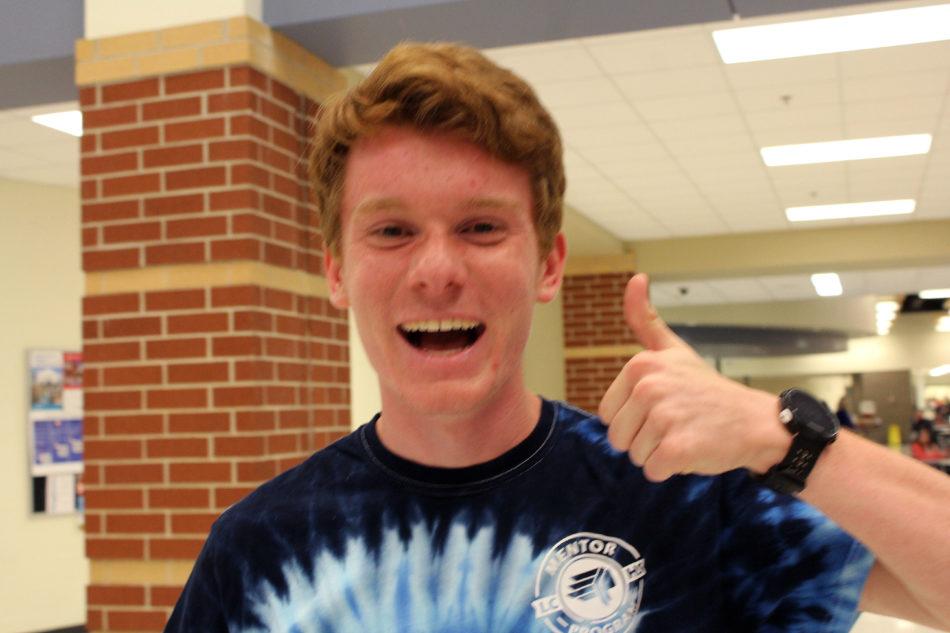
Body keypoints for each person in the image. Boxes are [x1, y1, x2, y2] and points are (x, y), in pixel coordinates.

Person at [165, 42, 950, 632]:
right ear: (337, 272)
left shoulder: (685, 494)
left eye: (480, 227)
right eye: (393, 230)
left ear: (548, 262)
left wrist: (777, 436)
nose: (437, 270)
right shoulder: (257, 550)